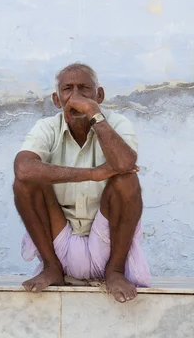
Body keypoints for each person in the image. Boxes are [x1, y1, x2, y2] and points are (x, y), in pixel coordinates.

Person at [13, 63, 151, 303]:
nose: (75, 96)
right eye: (68, 89)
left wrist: (94, 114)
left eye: (84, 88)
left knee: (127, 179)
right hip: (59, 239)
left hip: (108, 240)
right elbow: (23, 168)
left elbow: (126, 163)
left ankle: (115, 271)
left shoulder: (117, 123)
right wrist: (93, 173)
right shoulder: (47, 127)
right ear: (57, 100)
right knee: (25, 182)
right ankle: (52, 268)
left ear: (99, 95)